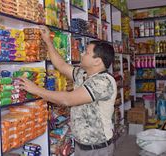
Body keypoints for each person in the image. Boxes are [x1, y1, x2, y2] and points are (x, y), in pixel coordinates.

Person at [19, 25, 117, 156]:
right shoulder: (83, 74)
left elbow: (68, 99)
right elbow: (61, 65)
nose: (82, 54)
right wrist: (48, 40)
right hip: (81, 146)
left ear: (97, 61)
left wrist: (35, 89)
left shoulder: (103, 82)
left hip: (97, 149)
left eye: (87, 52)